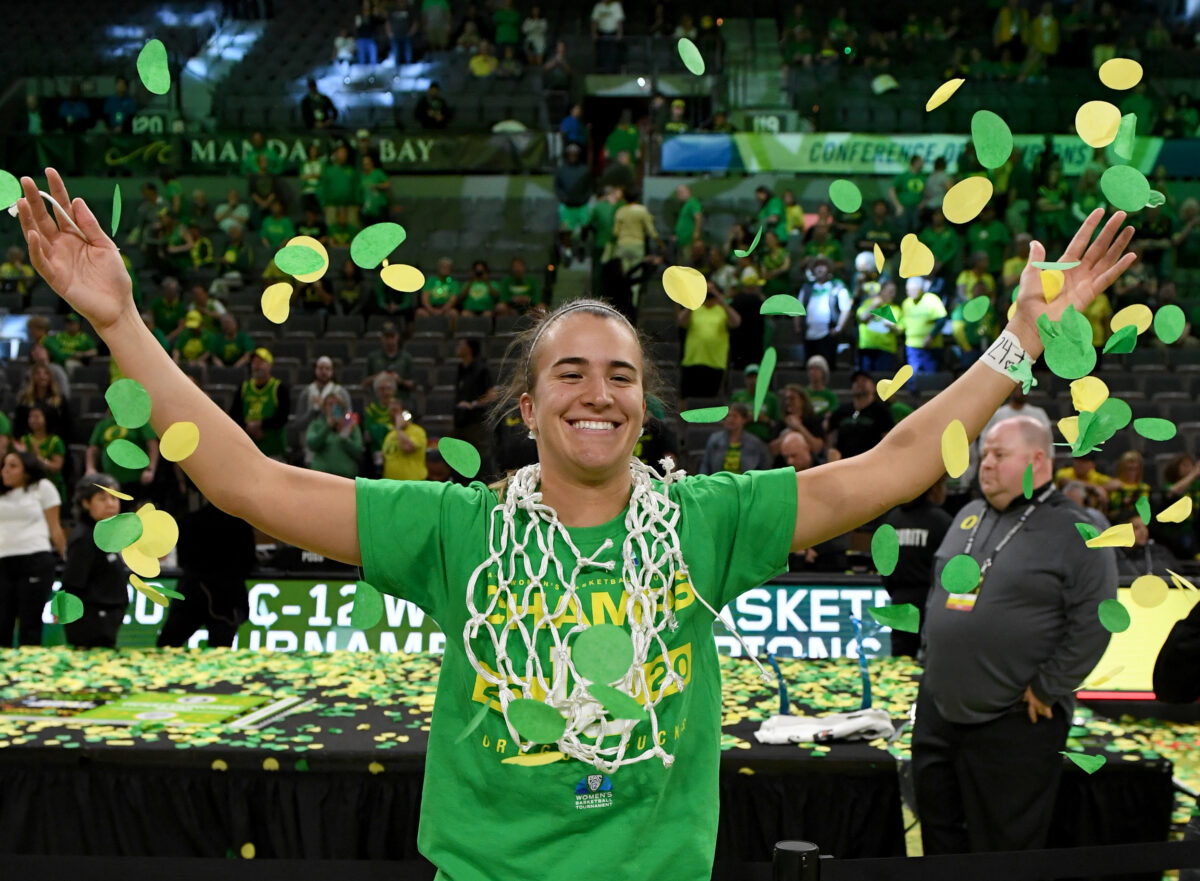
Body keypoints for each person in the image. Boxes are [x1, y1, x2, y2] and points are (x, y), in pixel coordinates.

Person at [15, 168, 1135, 881]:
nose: (596, 392)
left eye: (619, 375)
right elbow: (251, 479)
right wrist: (120, 321)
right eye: (570, 374)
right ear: (528, 403)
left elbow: (894, 462)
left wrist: (1019, 347)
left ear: (645, 402)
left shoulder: (709, 521)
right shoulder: (457, 529)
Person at [915, 416, 1117, 855]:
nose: (984, 464)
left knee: (1003, 851)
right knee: (938, 840)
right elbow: (939, 591)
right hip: (938, 711)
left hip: (1015, 721)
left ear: (1037, 460)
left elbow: (1096, 618)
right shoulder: (968, 515)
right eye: (984, 453)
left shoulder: (1078, 530)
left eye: (998, 455)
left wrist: (1048, 687)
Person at [157, 485, 257, 649]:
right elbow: (248, 563)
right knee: (220, 653)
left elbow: (183, 562)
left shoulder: (187, 522)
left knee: (167, 645)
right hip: (227, 597)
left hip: (193, 592)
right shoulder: (242, 526)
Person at [0, 450, 65, 646]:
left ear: (27, 471)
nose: (5, 471)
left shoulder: (42, 488)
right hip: (3, 562)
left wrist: (68, 561)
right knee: (2, 623)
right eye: (4, 466)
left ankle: (29, 673)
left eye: (13, 466)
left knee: (30, 624)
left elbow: (55, 528)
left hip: (35, 559)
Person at [881, 476, 950, 657]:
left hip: (900, 599)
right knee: (933, 661)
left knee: (901, 662)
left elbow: (883, 566)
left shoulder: (892, 520)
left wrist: (896, 592)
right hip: (931, 601)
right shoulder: (940, 521)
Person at [62, 475, 129, 649]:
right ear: (85, 503)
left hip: (107, 619)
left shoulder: (105, 533)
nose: (111, 503)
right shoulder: (85, 537)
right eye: (102, 498)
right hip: (92, 623)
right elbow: (73, 584)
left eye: (115, 497)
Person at [679, 282, 740, 402]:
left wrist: (718, 295)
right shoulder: (695, 310)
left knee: (710, 399)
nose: (709, 299)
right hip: (692, 361)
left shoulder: (722, 310)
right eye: (707, 296)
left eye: (710, 296)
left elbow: (736, 322)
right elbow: (681, 321)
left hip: (715, 362)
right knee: (687, 398)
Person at [230, 348, 291, 462]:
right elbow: (234, 415)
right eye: (254, 362)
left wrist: (260, 425)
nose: (257, 365)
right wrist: (248, 428)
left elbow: (282, 417)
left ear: (269, 365)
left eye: (261, 362)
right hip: (248, 450)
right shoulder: (244, 388)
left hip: (273, 452)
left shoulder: (279, 388)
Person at [797, 255, 851, 369]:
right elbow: (797, 308)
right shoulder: (807, 288)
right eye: (816, 266)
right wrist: (798, 326)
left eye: (823, 265)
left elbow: (846, 308)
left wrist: (839, 328)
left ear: (830, 269)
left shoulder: (837, 286)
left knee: (827, 367)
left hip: (828, 335)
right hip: (808, 334)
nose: (819, 268)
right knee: (809, 367)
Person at [827, 372, 893, 459]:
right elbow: (830, 438)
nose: (859, 384)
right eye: (856, 381)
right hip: (844, 462)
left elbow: (887, 441)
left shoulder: (881, 411)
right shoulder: (841, 411)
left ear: (873, 387)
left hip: (870, 462)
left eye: (864, 381)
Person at [454, 337, 496, 471]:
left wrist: (472, 404)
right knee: (461, 459)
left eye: (462, 344)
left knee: (480, 458)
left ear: (470, 349)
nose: (458, 346)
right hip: (461, 421)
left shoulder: (481, 369)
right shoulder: (461, 368)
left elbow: (491, 395)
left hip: (476, 422)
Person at [699, 403, 770, 476]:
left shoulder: (755, 442)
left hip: (744, 484)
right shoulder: (714, 439)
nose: (730, 419)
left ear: (744, 420)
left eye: (735, 416)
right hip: (718, 483)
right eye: (728, 416)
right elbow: (705, 465)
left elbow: (765, 467)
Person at [306, 392, 364, 479]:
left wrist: (344, 435)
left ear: (342, 407)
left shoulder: (350, 425)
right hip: (321, 477)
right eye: (330, 404)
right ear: (324, 407)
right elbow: (312, 445)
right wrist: (327, 427)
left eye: (337, 404)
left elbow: (358, 451)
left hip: (345, 478)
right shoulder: (316, 424)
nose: (334, 407)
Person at [16, 406, 67, 504]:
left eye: (37, 417)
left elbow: (56, 467)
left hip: (52, 484)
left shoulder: (55, 441)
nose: (33, 420)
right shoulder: (24, 440)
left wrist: (39, 459)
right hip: (29, 485)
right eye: (30, 417)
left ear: (47, 418)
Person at [899, 276, 948, 374]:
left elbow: (942, 319)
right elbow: (903, 323)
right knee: (914, 374)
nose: (910, 292)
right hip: (912, 345)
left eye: (913, 290)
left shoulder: (932, 299)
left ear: (921, 289)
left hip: (931, 346)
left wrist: (931, 336)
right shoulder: (906, 303)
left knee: (930, 374)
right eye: (908, 290)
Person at [381, 404, 428, 481]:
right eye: (391, 411)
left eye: (396, 411)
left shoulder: (417, 431)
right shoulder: (389, 435)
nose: (393, 414)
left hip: (413, 484)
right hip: (391, 485)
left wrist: (399, 428)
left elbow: (407, 447)